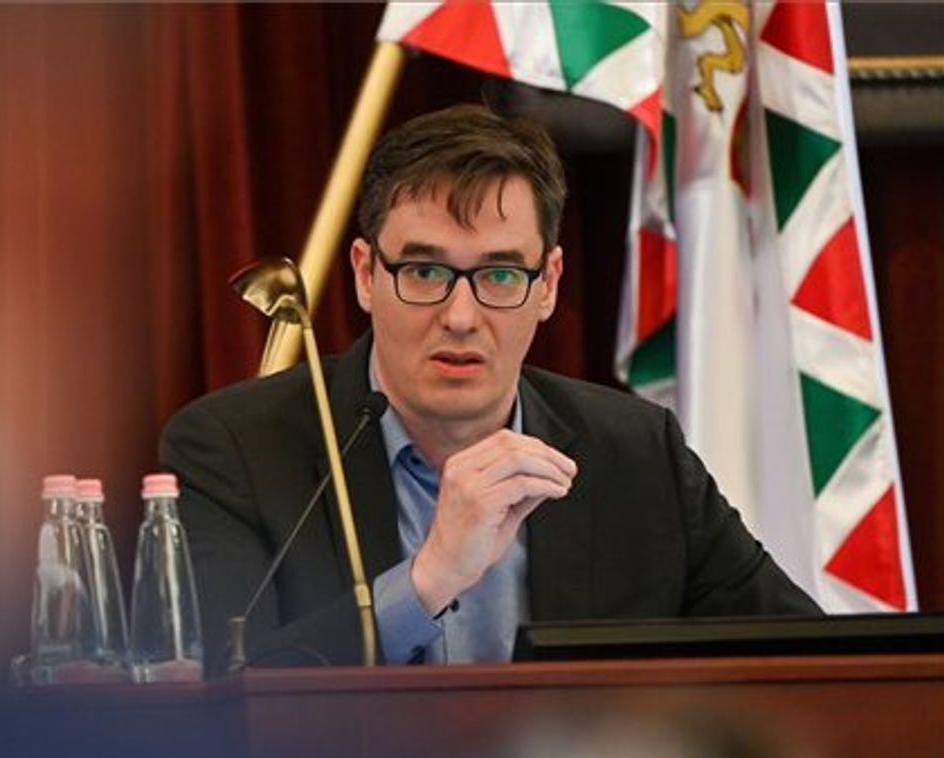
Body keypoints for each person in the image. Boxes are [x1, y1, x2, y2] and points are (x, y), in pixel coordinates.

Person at [160, 104, 820, 677]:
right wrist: (427, 580)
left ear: (548, 284)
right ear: (365, 275)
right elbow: (215, 700)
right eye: (424, 272)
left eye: (500, 276)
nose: (460, 316)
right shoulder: (234, 450)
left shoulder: (635, 453)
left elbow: (812, 664)